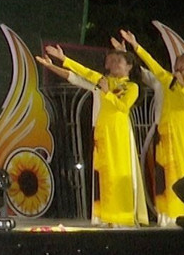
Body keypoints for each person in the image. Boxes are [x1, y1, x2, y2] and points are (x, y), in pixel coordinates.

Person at [37, 44, 148, 227]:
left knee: (120, 171)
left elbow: (123, 107)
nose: (114, 64)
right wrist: (63, 59)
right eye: (113, 61)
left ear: (129, 66)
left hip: (119, 131)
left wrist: (107, 92)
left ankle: (123, 216)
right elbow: (84, 72)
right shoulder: (104, 80)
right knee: (105, 173)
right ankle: (107, 216)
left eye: (119, 61)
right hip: (103, 130)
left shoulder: (132, 86)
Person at [116, 30, 184, 226]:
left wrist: (182, 84)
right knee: (166, 173)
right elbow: (151, 64)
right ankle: (167, 215)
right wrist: (135, 45)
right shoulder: (166, 79)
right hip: (166, 132)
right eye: (182, 60)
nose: (183, 64)